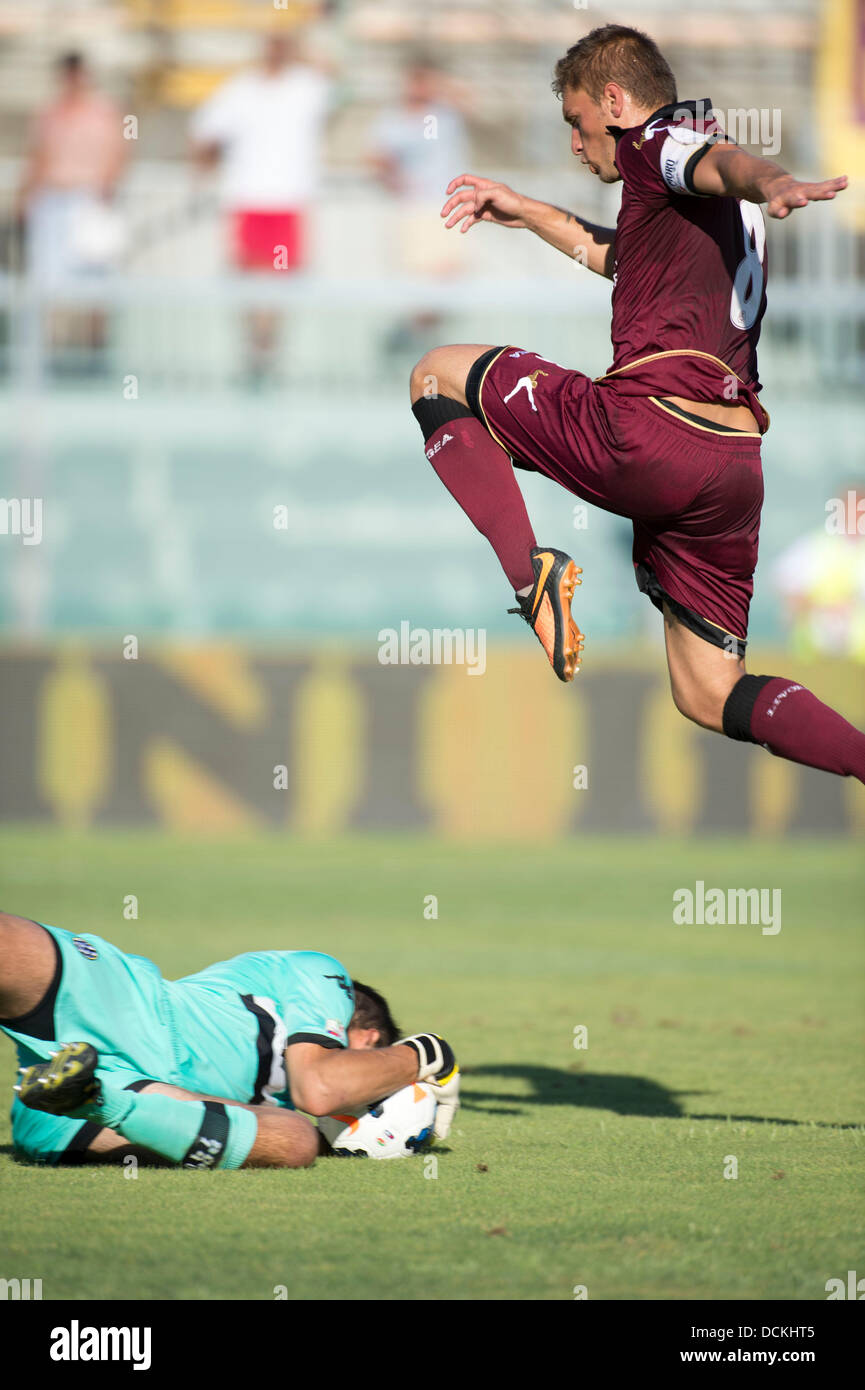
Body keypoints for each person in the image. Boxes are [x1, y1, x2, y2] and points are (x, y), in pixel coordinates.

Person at [410, 24, 865, 784]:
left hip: (649, 430)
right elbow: (618, 257)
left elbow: (722, 164)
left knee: (435, 373)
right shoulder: (690, 209)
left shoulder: (657, 146)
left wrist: (772, 177)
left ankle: (532, 579)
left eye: (575, 120)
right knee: (707, 691)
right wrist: (526, 210)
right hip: (730, 471)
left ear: (614, 102)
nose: (575, 142)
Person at [1, 911, 458, 1170]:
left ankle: (91, 1097)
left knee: (295, 1142)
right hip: (128, 1009)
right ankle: (92, 1097)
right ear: (369, 1037)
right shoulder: (319, 973)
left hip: (79, 1113)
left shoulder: (283, 1107)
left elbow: (312, 1104)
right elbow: (321, 1089)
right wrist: (428, 1053)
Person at [190, 32, 331, 383]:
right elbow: (205, 134)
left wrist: (306, 46)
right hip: (249, 200)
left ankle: (266, 356)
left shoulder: (307, 85)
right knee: (250, 285)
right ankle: (255, 355)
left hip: (288, 202)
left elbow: (340, 79)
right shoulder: (241, 89)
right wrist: (204, 170)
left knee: (279, 289)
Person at [18, 51, 128, 368]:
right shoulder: (48, 114)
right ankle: (46, 356)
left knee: (97, 281)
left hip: (89, 202)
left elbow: (119, 151)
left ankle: (96, 354)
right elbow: (37, 157)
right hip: (52, 201)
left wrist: (106, 190)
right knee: (47, 281)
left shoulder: (105, 112)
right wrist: (27, 199)